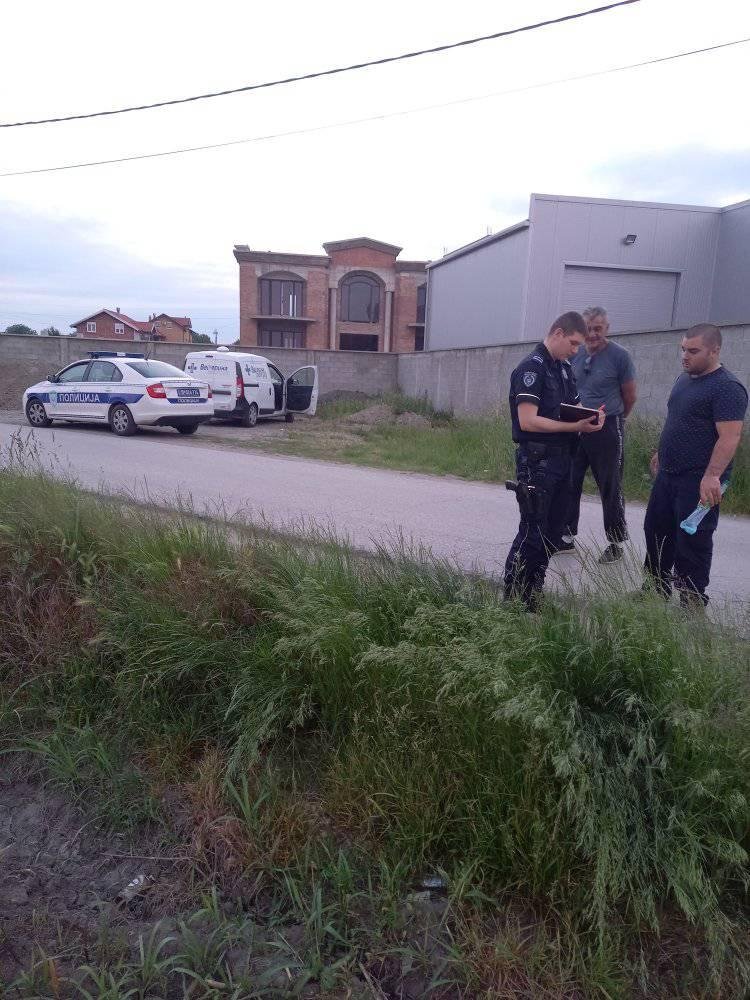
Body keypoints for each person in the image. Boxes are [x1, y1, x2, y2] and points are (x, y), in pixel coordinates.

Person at [503, 312, 604, 610]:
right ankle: (513, 599)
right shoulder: (531, 368)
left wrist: (590, 417)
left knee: (552, 534)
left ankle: (533, 595)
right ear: (558, 333)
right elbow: (528, 420)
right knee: (532, 533)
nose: (576, 350)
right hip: (538, 462)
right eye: (573, 343)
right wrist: (574, 426)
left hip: (564, 460)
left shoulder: (563, 368)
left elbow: (573, 405)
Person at [643, 323, 747, 608]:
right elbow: (678, 419)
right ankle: (655, 590)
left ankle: (692, 601)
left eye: (693, 351)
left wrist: (712, 476)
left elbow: (730, 437)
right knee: (655, 531)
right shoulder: (684, 379)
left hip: (698, 480)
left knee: (693, 540)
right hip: (668, 475)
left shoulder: (727, 388)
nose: (685, 356)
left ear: (715, 350)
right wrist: (662, 452)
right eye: (683, 349)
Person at [555, 306, 637, 563]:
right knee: (570, 480)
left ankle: (616, 543)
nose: (592, 334)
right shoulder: (575, 354)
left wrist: (617, 421)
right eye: (588, 329)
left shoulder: (620, 357)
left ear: (607, 329)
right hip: (576, 425)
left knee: (610, 485)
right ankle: (566, 537)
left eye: (598, 329)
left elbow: (630, 396)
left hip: (607, 426)